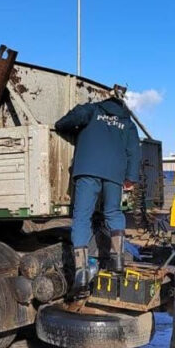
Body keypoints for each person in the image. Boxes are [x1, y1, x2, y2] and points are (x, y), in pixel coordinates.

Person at [54, 87, 140, 296]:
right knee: (113, 213)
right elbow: (134, 151)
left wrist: (72, 131)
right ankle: (117, 260)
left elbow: (64, 122)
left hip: (88, 170)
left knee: (82, 218)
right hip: (114, 173)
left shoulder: (91, 110)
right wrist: (130, 178)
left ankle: (82, 271)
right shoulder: (127, 122)